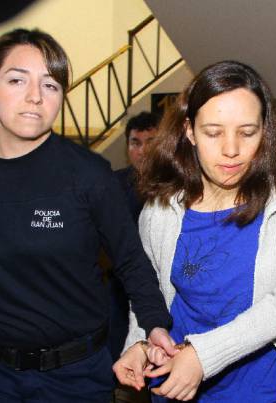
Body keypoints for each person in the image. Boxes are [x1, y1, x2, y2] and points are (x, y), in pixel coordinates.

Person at [0, 28, 174, 403]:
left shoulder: (89, 175)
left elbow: (130, 259)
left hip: (74, 376)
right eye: (17, 80)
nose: (35, 96)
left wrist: (154, 324)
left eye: (50, 85)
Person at [113, 60, 276, 402]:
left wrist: (202, 356)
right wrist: (139, 343)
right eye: (213, 132)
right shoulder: (162, 206)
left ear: (266, 130)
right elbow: (147, 288)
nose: (231, 149)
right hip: (174, 377)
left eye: (247, 132)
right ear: (190, 131)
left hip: (259, 388)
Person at [110, 111, 160, 403]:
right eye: (135, 143)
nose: (142, 150)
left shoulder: (177, 185)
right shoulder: (112, 185)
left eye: (151, 142)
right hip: (119, 290)